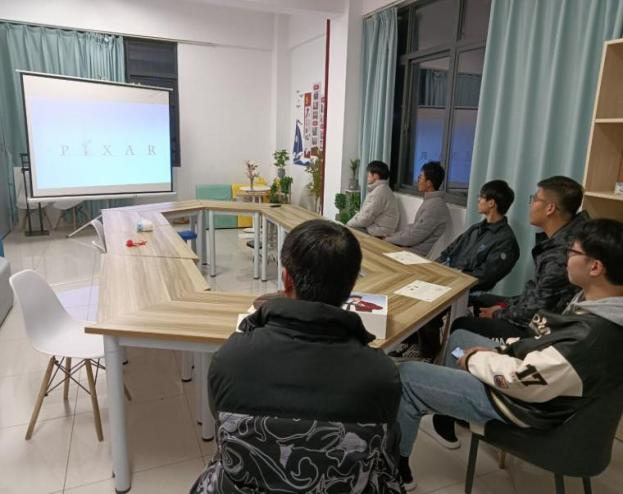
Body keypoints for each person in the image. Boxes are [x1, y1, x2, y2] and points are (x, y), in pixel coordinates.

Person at [397, 218, 623, 491]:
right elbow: (546, 345)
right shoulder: (599, 305)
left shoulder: (591, 335)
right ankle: (446, 414)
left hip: (525, 405)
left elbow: (521, 380)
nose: (566, 257)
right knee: (460, 338)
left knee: (407, 375)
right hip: (541, 381)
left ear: (595, 267)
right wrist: (500, 351)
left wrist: (478, 359)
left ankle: (396, 470)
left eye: (572, 252)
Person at [191, 219, 403, 493]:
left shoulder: (230, 360)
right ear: (352, 286)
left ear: (286, 279)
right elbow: (384, 447)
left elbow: (221, 428)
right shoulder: (381, 374)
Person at [392, 180, 521, 360]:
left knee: (426, 309)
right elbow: (449, 251)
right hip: (449, 280)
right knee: (409, 292)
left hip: (466, 290)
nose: (478, 200)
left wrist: (450, 280)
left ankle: (428, 355)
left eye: (481, 197)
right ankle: (414, 342)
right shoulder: (476, 229)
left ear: (492, 202)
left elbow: (485, 277)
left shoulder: (505, 240)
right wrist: (431, 270)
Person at [451, 175, 587, 340]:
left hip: (538, 331)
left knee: (461, 325)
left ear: (550, 208)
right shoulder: (563, 240)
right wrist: (505, 306)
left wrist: (499, 313)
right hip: (534, 310)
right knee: (480, 300)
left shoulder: (562, 255)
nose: (531, 204)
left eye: (534, 199)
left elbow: (535, 310)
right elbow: (536, 294)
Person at [384, 161, 450, 257]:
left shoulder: (435, 206)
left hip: (414, 253)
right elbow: (413, 229)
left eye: (420, 177)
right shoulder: (430, 201)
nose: (418, 180)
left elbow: (414, 236)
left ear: (429, 183)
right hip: (409, 248)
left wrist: (389, 239)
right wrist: (392, 236)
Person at [347, 160, 400, 237]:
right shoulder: (381, 189)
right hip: (377, 228)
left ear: (375, 176)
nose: (367, 177)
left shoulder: (380, 192)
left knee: (348, 232)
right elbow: (364, 214)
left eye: (368, 175)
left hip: (380, 231)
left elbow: (365, 218)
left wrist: (348, 224)